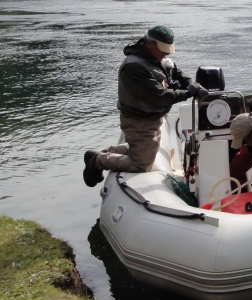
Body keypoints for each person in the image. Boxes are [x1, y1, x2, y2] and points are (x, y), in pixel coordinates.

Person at [82, 26, 208, 187]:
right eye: (163, 49)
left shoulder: (160, 60)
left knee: (143, 149)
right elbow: (158, 97)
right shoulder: (133, 67)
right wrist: (188, 93)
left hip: (153, 118)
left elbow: (180, 76)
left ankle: (103, 154)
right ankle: (97, 160)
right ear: (149, 44)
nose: (167, 53)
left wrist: (193, 86)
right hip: (139, 121)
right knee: (141, 165)